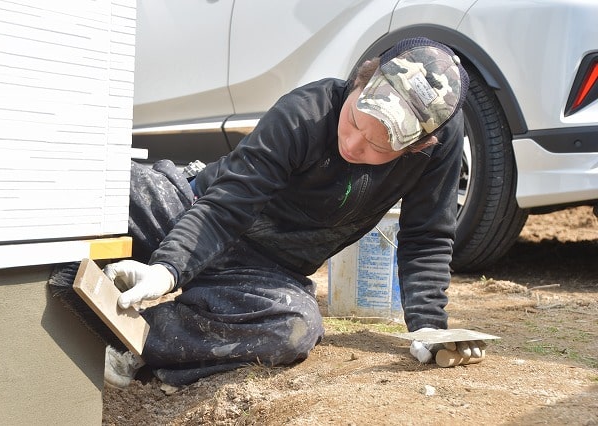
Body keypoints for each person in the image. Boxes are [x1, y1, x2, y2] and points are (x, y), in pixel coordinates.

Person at [102, 37, 482, 389]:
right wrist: (168, 268)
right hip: (196, 212)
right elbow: (227, 204)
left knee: (292, 328)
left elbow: (427, 234)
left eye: (376, 147)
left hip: (266, 271)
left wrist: (430, 329)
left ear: (415, 148)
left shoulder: (437, 147)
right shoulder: (307, 111)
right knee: (108, 187)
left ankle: (131, 338)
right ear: (359, 83)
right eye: (353, 122)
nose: (352, 144)